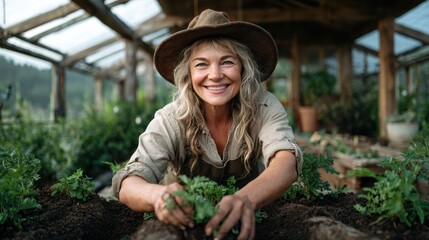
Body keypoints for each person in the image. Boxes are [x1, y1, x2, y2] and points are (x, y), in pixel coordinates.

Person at [112, 9, 302, 240]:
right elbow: (129, 182)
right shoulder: (172, 119)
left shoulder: (263, 107)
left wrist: (246, 199)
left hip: (249, 222)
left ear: (243, 68)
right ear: (188, 73)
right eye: (201, 64)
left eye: (227, 62)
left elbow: (285, 162)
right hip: (186, 225)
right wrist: (158, 196)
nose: (215, 75)